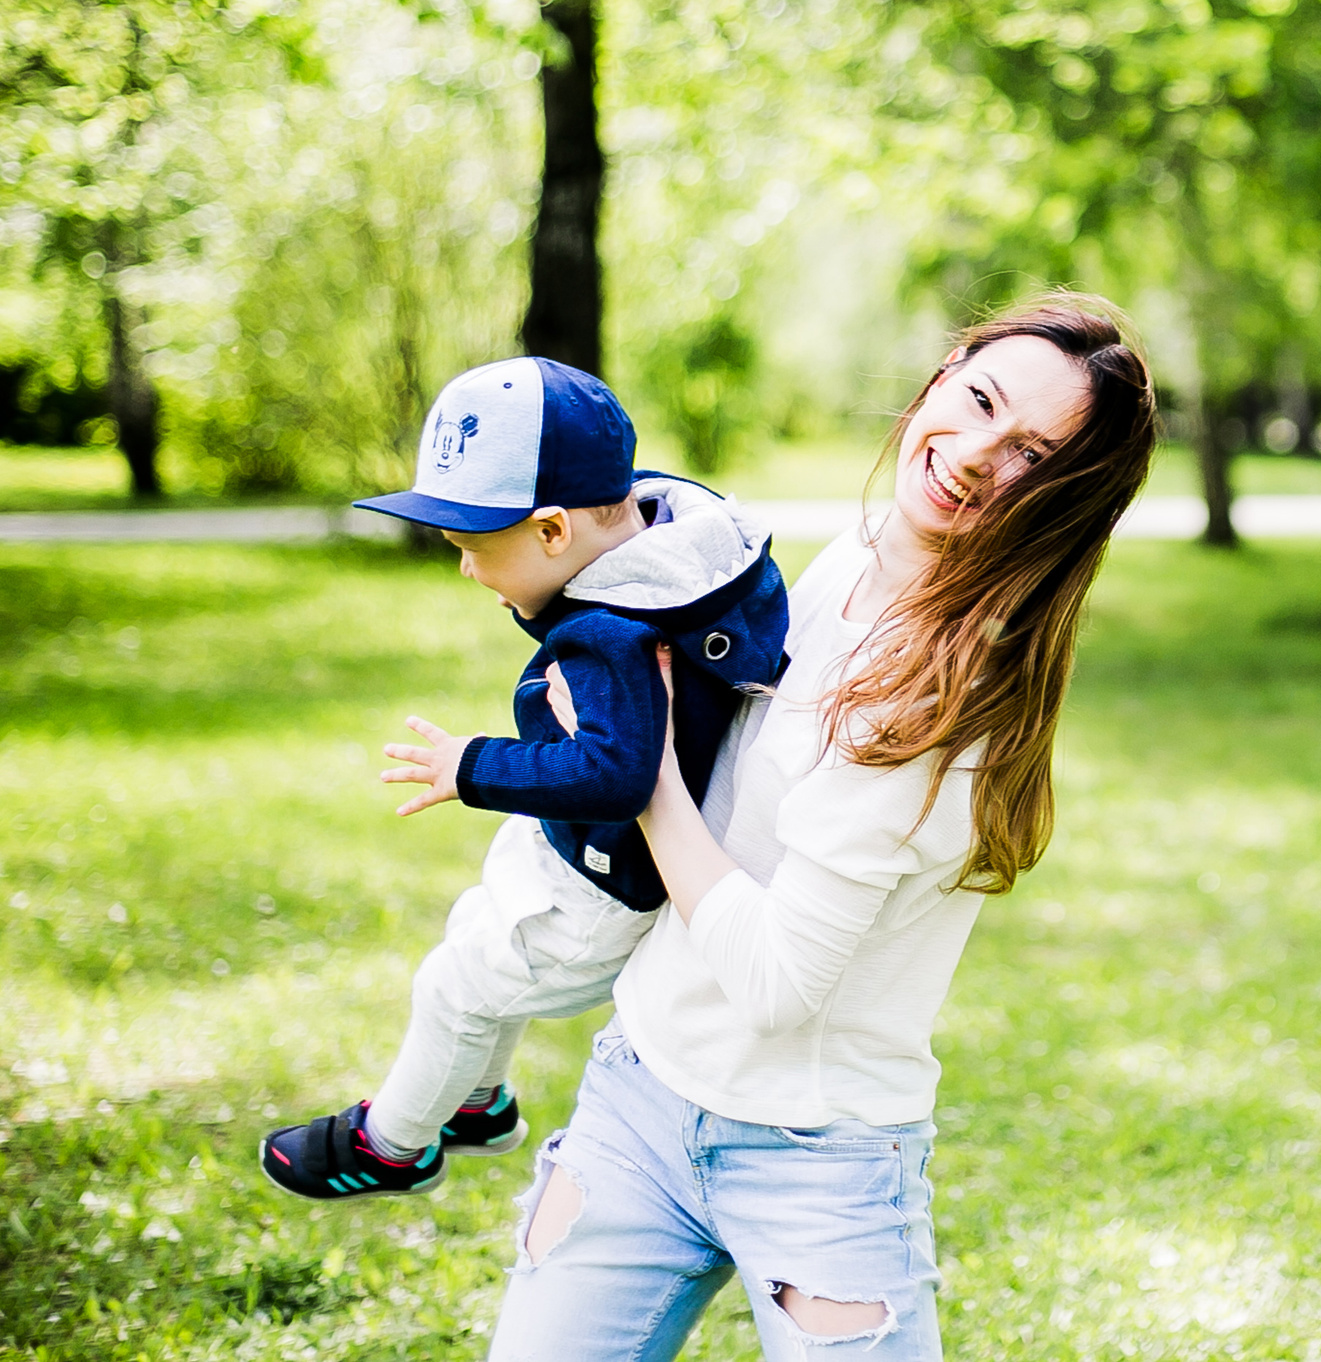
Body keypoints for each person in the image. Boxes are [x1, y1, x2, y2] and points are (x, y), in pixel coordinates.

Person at [487, 297, 1155, 1362]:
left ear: (1064, 498)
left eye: (1030, 454)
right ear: (944, 375)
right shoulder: (861, 551)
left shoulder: (939, 699)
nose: (973, 456)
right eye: (981, 401)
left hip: (816, 1158)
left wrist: (638, 768)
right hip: (640, 1092)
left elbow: (777, 982)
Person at [260, 357, 789, 1199]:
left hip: (599, 891)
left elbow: (616, 775)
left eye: (474, 549)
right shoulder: (690, 550)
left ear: (552, 533)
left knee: (453, 988)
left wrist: (469, 765)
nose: (468, 570)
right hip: (578, 849)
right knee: (478, 926)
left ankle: (392, 1146)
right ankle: (474, 1104)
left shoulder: (614, 634)